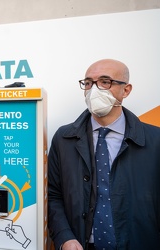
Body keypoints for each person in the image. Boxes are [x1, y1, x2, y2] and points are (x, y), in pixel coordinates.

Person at [48, 59, 160, 250]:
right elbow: (54, 195)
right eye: (89, 83)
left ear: (126, 90)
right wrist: (64, 237)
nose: (94, 90)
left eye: (105, 81)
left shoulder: (155, 139)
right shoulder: (63, 138)